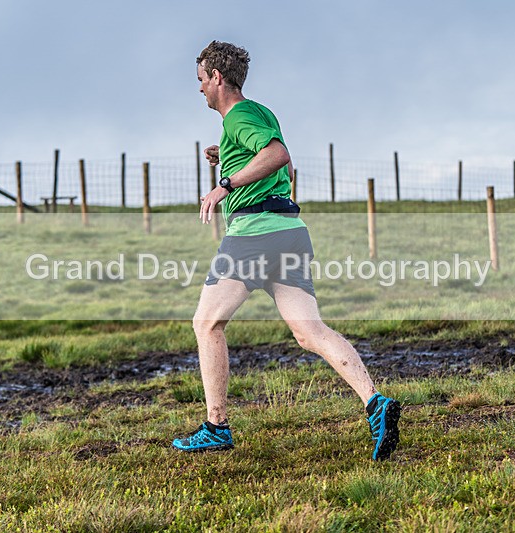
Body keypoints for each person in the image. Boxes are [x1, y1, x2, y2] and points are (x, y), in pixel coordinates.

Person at [171, 41, 400, 461]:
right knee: (310, 332)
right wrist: (229, 157)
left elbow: (278, 156)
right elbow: (285, 167)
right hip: (290, 232)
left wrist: (225, 184)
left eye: (201, 80)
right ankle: (375, 403)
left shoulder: (238, 116)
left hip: (254, 234)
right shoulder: (258, 113)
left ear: (217, 77)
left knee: (206, 323)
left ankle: (216, 427)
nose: (199, 88)